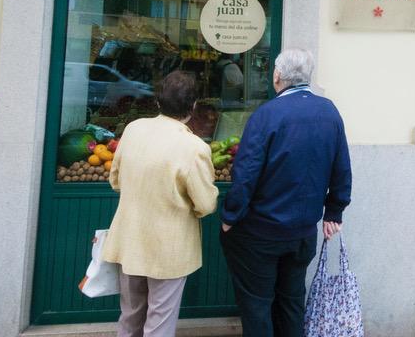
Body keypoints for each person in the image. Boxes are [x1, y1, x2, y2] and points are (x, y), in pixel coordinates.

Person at [220, 48, 352, 337]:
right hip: (302, 233)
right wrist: (334, 210)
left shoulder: (267, 114)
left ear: (277, 76)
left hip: (260, 232)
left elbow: (247, 172)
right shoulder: (329, 111)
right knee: (291, 304)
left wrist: (230, 215)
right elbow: (341, 166)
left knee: (257, 307)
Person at [102, 70, 220, 337]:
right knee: (159, 324)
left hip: (129, 240)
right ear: (193, 107)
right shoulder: (194, 147)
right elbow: (205, 204)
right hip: (169, 249)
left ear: (158, 102)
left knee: (130, 318)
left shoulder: (133, 130)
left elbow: (115, 180)